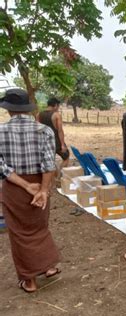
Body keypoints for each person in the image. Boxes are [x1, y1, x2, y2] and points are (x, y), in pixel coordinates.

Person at [0, 88, 61, 293]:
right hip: (40, 183)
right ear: (27, 108)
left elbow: (1, 167)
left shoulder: (0, 132)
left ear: (8, 109)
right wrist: (43, 190)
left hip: (14, 187)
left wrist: (25, 185)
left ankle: (29, 281)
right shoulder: (44, 131)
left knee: (18, 232)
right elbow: (48, 164)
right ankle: (49, 267)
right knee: (39, 225)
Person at [36, 97, 70, 172]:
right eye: (58, 106)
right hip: (56, 141)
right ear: (55, 105)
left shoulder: (39, 114)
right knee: (66, 157)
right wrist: (62, 144)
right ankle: (58, 175)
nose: (58, 108)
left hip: (44, 142)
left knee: (50, 162)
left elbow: (37, 130)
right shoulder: (56, 115)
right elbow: (60, 131)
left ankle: (53, 178)